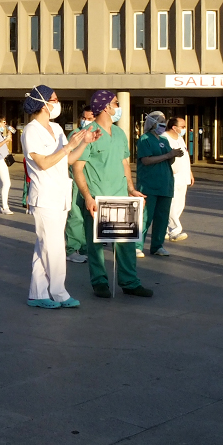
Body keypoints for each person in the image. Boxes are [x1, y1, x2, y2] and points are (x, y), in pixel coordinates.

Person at [72, 90, 153, 299]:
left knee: (126, 243)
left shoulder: (119, 133)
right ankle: (99, 282)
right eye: (116, 103)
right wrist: (87, 197)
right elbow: (78, 168)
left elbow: (124, 162)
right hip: (97, 199)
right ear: (106, 107)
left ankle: (130, 281)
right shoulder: (89, 133)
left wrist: (131, 189)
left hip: (120, 196)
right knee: (96, 244)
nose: (118, 107)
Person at [21, 86, 95, 309]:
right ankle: (59, 292)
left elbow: (69, 159)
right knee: (53, 247)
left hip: (60, 195)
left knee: (43, 246)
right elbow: (43, 163)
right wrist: (68, 147)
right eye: (55, 99)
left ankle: (37, 293)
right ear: (43, 103)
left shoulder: (56, 128)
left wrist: (84, 142)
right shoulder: (30, 131)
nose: (57, 103)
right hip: (45, 197)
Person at [135, 111, 182, 259]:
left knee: (162, 218)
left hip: (165, 183)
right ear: (152, 123)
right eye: (160, 121)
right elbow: (146, 160)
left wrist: (173, 155)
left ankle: (157, 245)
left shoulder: (164, 139)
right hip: (149, 184)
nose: (163, 124)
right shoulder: (145, 139)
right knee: (145, 217)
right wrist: (168, 155)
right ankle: (137, 246)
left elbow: (168, 158)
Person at [65, 105, 95, 264]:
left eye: (90, 119)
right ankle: (72, 249)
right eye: (84, 118)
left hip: (92, 182)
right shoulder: (75, 135)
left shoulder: (99, 134)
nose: (86, 121)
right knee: (76, 215)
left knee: (88, 217)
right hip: (76, 179)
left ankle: (85, 247)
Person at [165, 116, 193, 242]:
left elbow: (185, 157)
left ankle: (164, 229)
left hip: (183, 176)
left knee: (180, 204)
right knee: (172, 203)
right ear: (174, 127)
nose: (184, 129)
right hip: (172, 176)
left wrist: (190, 173)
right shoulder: (165, 138)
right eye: (182, 127)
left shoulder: (180, 139)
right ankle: (175, 229)